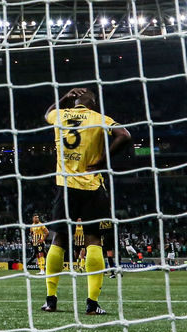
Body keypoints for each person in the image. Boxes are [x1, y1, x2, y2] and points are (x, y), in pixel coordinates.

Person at [42, 87, 131, 315]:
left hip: (65, 185)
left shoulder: (61, 115)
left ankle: (51, 300)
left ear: (75, 103)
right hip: (92, 186)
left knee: (60, 239)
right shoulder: (99, 118)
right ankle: (92, 304)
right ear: (93, 104)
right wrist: (103, 161)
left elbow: (47, 113)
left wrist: (64, 97)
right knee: (94, 240)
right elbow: (125, 135)